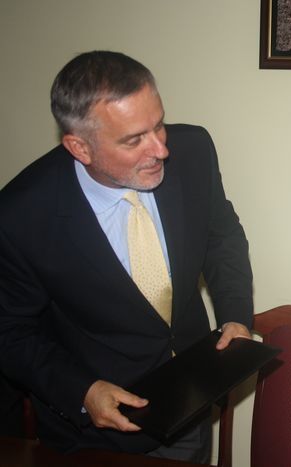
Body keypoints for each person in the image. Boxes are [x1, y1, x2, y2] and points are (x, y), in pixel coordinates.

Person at [0, 51, 253, 463]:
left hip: (189, 403)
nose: (161, 150)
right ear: (80, 147)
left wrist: (236, 315)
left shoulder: (194, 150)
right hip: (96, 434)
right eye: (134, 140)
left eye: (159, 125)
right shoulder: (20, 215)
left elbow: (221, 236)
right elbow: (10, 331)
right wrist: (82, 391)